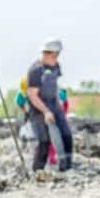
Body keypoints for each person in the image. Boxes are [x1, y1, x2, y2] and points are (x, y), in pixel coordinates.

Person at [26, 39, 73, 171]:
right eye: (53, 56)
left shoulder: (56, 66)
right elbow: (32, 94)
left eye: (57, 55)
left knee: (66, 133)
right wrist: (46, 111)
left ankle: (66, 166)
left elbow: (54, 85)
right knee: (44, 140)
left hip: (53, 103)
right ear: (45, 54)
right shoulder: (36, 70)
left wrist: (58, 105)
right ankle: (37, 171)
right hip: (38, 107)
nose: (56, 58)